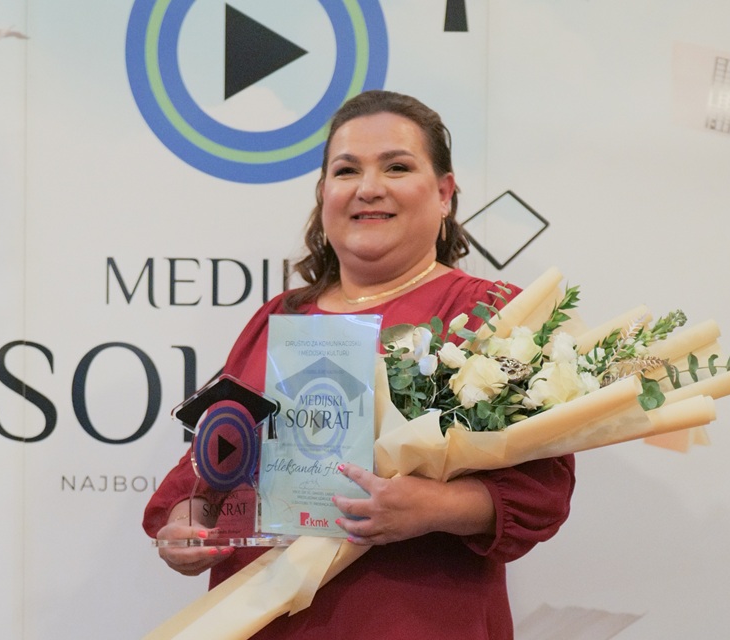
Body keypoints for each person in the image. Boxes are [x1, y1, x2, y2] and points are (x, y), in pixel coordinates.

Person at [143, 90, 575, 639]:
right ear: (324, 193)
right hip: (266, 619)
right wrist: (189, 522)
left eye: (397, 167)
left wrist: (435, 506)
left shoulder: (490, 314)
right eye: (347, 170)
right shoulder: (278, 317)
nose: (369, 188)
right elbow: (213, 459)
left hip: (415, 621)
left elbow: (542, 490)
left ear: (444, 193)